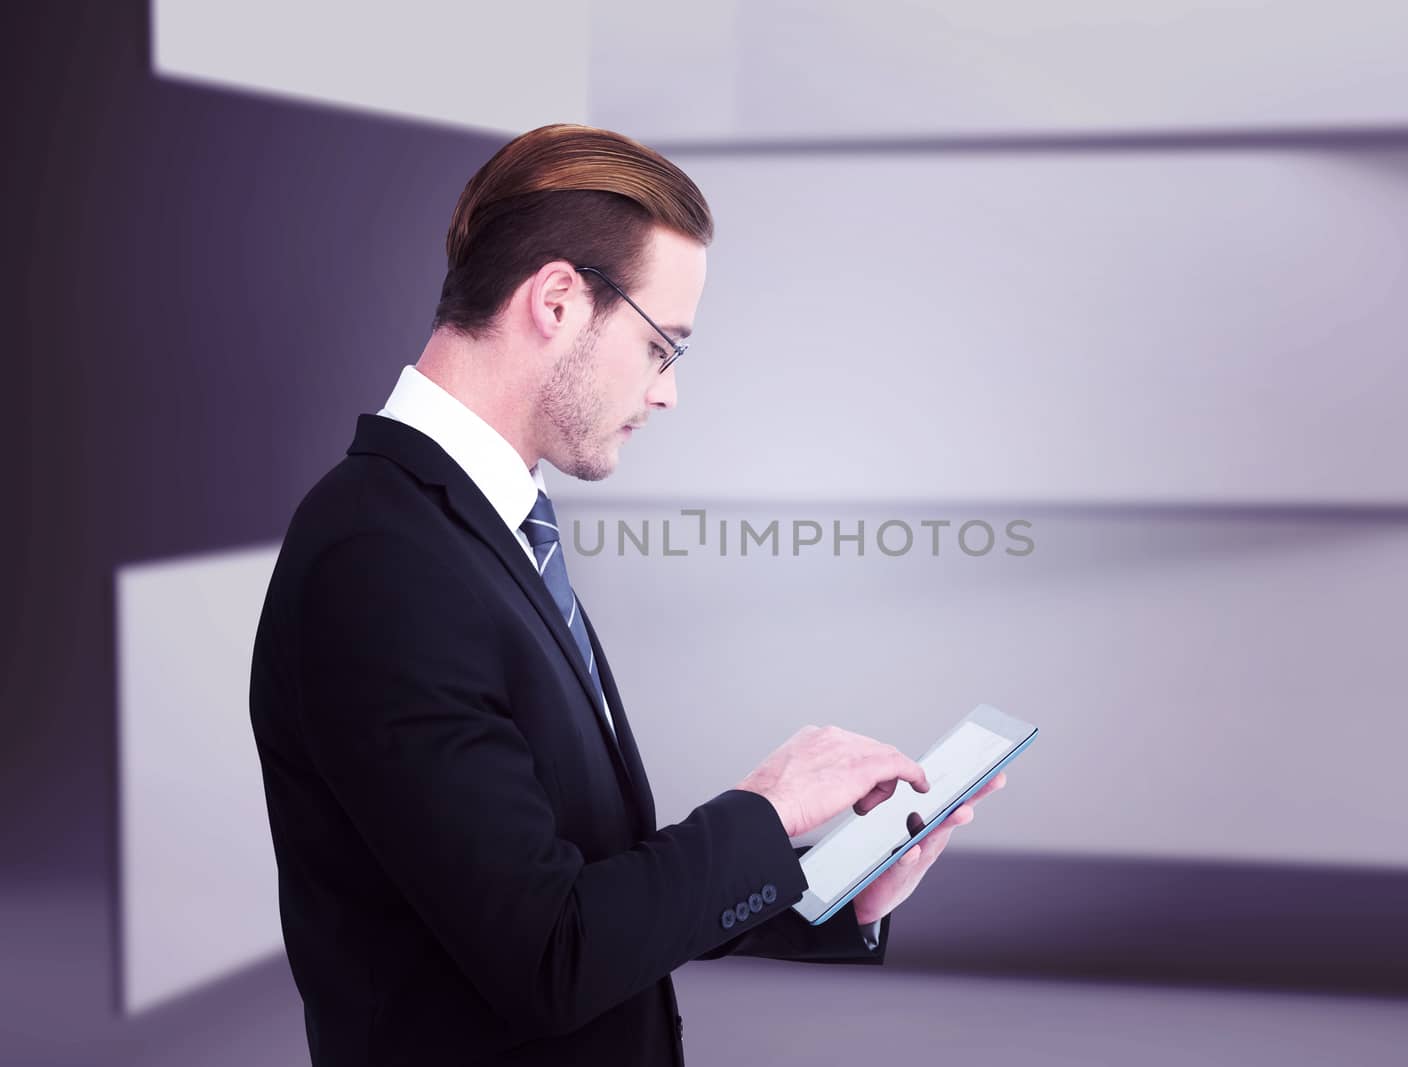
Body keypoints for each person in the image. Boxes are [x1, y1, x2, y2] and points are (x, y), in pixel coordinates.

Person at [249, 122, 1007, 1066]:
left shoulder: (481, 527)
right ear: (559, 300)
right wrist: (765, 808)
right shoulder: (380, 557)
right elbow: (547, 956)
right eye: (663, 347)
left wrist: (829, 892)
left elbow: (586, 882)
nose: (667, 393)